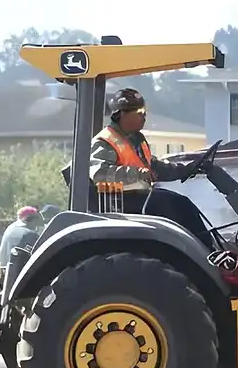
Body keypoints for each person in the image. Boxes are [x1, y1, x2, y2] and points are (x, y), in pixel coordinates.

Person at [88, 88, 216, 248]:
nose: (144, 115)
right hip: (121, 204)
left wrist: (186, 169)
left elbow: (153, 167)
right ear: (121, 114)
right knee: (174, 205)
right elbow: (100, 174)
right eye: (139, 111)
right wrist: (138, 174)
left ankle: (208, 250)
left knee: (183, 204)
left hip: (139, 198)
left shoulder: (135, 139)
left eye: (145, 111)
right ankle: (204, 252)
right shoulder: (105, 142)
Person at [0, 206, 44, 272]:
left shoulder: (10, 228)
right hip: (21, 276)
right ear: (30, 219)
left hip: (5, 272)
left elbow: (2, 254)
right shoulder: (30, 234)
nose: (36, 225)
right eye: (36, 219)